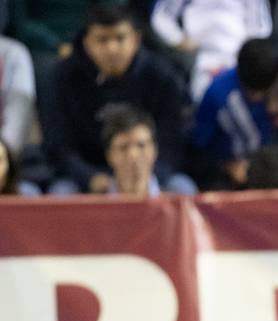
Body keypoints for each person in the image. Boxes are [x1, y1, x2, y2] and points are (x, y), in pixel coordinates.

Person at [41, 3, 193, 195]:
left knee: (182, 188)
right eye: (102, 40)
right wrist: (89, 178)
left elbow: (173, 142)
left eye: (120, 38)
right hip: (88, 175)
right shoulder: (62, 77)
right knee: (61, 194)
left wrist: (149, 175)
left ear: (136, 39)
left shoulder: (163, 76)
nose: (112, 48)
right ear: (87, 42)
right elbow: (57, 145)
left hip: (149, 172)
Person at [191, 38, 278, 190]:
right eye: (252, 93)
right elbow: (198, 150)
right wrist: (226, 166)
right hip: (233, 175)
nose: (256, 98)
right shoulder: (217, 93)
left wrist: (276, 110)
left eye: (263, 93)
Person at [150, 0, 272, 100]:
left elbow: (261, 29)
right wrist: (178, 39)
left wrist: (246, 52)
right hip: (198, 53)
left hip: (237, 55)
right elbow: (161, 17)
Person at [99, 102, 196, 196]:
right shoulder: (92, 201)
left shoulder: (179, 194)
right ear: (109, 155)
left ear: (154, 150)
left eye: (141, 145)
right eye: (123, 148)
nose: (133, 155)